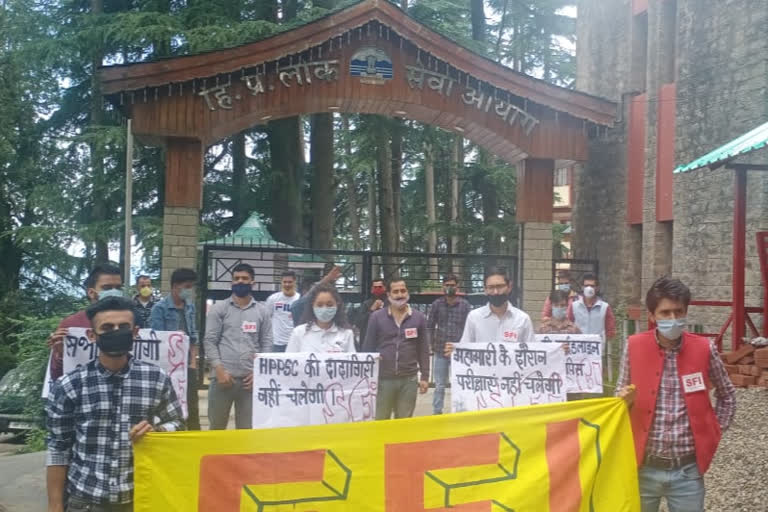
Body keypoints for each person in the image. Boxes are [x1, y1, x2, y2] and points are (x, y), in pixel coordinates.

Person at [46, 296, 184, 512]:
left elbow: (178, 424)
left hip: (141, 499)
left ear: (135, 332)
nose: (116, 332)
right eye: (108, 327)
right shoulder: (69, 385)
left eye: (123, 327)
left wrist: (157, 431)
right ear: (92, 335)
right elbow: (58, 447)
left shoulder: (156, 378)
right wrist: (54, 506)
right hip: (84, 501)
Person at [616, 277, 736, 512]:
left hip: (687, 472)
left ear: (686, 311)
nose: (673, 319)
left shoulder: (704, 348)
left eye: (678, 312)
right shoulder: (633, 346)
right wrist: (623, 401)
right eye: (665, 313)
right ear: (652, 316)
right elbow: (618, 400)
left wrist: (714, 430)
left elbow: (727, 395)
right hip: (642, 467)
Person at [203, 263, 272, 429]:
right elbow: (209, 341)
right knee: (217, 429)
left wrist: (259, 373)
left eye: (245, 278)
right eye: (236, 278)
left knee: (246, 431)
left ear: (252, 282)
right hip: (222, 379)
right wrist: (219, 371)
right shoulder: (219, 309)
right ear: (231, 283)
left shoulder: (262, 311)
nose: (240, 281)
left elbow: (267, 343)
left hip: (250, 382)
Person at [362, 278, 429, 420]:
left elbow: (423, 348)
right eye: (396, 291)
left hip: (409, 380)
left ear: (407, 293)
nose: (400, 295)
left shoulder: (418, 318)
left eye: (403, 291)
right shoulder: (376, 317)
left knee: (404, 422)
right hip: (383, 379)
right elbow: (368, 348)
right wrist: (367, 378)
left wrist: (424, 376)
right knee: (381, 420)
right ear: (389, 295)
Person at [47, 264, 123, 381]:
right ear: (91, 293)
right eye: (107, 288)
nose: (114, 292)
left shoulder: (132, 320)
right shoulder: (71, 325)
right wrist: (60, 355)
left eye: (118, 288)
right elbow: (57, 377)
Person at [149, 268, 201, 430]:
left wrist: (193, 363)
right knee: (168, 403)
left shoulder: (190, 307)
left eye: (191, 287)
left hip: (187, 365)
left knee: (191, 403)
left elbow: (193, 337)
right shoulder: (160, 308)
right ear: (175, 286)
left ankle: (193, 438)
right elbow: (157, 338)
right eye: (186, 286)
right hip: (167, 366)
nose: (189, 290)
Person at [446, 268, 535, 353]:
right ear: (485, 289)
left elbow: (532, 351)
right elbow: (465, 346)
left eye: (500, 286)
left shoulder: (523, 319)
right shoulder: (474, 317)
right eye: (491, 287)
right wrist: (455, 351)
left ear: (509, 287)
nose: (495, 292)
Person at [427, 274, 471, 414]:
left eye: (452, 285)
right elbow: (430, 326)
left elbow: (469, 328)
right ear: (443, 287)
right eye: (447, 285)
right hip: (440, 350)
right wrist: (430, 344)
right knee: (439, 385)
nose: (450, 288)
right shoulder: (436, 304)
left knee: (459, 383)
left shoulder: (465, 306)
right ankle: (437, 412)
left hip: (459, 352)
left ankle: (460, 411)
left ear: (457, 287)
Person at [285, 284, 355, 353]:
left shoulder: (347, 334)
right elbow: (289, 361)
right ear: (312, 305)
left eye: (329, 305)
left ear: (337, 304)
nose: (324, 309)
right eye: (319, 305)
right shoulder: (298, 333)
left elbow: (353, 362)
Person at [567, 272, 616, 340]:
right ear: (582, 287)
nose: (589, 288)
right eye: (586, 286)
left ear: (597, 288)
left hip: (597, 348)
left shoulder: (605, 307)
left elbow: (610, 330)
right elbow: (568, 325)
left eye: (592, 286)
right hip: (578, 346)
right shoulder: (574, 306)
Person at [265, 270, 301, 352]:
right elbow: (266, 320)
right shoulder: (273, 299)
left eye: (290, 282)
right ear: (281, 282)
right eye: (284, 282)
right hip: (276, 344)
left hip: (294, 343)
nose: (287, 284)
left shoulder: (300, 299)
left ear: (295, 282)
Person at [351, 278, 389, 348]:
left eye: (380, 287)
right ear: (372, 289)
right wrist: (371, 310)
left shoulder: (390, 305)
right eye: (375, 287)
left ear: (385, 288)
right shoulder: (366, 304)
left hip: (386, 342)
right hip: (368, 343)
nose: (377, 289)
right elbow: (359, 323)